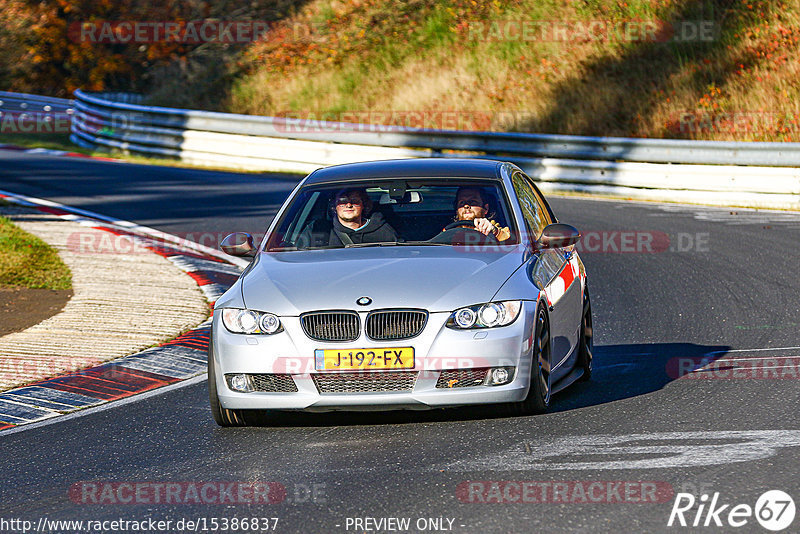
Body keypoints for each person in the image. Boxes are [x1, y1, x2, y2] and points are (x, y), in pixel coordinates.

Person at [296, 187, 397, 248]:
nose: (348, 205)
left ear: (364, 205)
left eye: (354, 200)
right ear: (334, 206)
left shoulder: (385, 232)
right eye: (342, 201)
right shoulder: (317, 231)